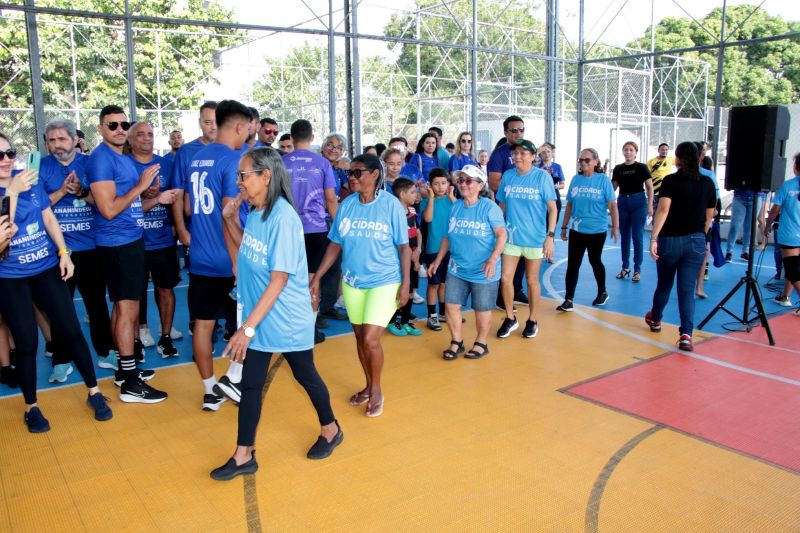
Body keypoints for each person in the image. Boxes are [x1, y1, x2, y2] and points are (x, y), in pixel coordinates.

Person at [209, 147, 342, 481]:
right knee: (251, 385)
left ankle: (331, 429)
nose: (238, 182)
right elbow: (248, 250)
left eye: (244, 175)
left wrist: (246, 329)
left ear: (265, 176)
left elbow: (279, 279)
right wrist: (228, 221)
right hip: (261, 316)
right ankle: (244, 455)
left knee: (305, 375)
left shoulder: (283, 218)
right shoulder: (256, 212)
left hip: (286, 319)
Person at [0, 132, 112, 431]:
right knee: (26, 342)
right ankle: (31, 407)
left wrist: (63, 252)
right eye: (0, 156)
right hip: (10, 278)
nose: (7, 160)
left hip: (45, 267)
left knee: (72, 330)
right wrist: (9, 193)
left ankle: (95, 391)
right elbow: (4, 234)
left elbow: (48, 217)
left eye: (10, 153)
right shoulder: (13, 187)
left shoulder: (28, 180)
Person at [310, 153, 410, 418]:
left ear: (375, 174)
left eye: (357, 173)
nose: (351, 177)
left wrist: (406, 283)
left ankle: (376, 390)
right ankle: (367, 385)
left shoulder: (391, 206)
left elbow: (404, 247)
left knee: (370, 338)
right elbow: (335, 243)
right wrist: (318, 276)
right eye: (350, 173)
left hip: (384, 281)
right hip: (354, 282)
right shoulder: (347, 205)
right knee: (359, 337)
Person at [87, 105, 168, 403]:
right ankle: (132, 384)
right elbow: (108, 209)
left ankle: (125, 370)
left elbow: (121, 197)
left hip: (130, 241)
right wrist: (140, 187)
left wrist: (144, 192)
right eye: (113, 125)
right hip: (117, 244)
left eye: (124, 124)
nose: (120, 129)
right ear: (101, 128)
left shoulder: (117, 158)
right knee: (127, 309)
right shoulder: (100, 160)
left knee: (126, 308)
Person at [39, 118, 117, 382]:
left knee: (96, 304)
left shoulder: (90, 164)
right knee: (60, 309)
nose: (57, 144)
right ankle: (61, 359)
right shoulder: (41, 168)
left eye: (62, 138)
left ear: (75, 140)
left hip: (90, 248)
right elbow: (38, 207)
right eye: (51, 140)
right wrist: (62, 191)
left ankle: (105, 352)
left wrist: (81, 190)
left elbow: (103, 202)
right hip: (58, 252)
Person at [428, 165, 506, 360]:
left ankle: (481, 342)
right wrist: (438, 260)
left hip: (483, 270)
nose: (463, 184)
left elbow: (502, 234)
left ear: (480, 185)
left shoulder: (489, 207)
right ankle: (456, 342)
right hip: (457, 269)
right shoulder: (455, 207)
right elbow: (447, 236)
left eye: (468, 180)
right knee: (451, 306)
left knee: (482, 309)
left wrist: (493, 258)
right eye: (460, 180)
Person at [645, 142, 716, 351]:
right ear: (698, 158)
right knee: (686, 289)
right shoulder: (707, 182)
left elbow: (664, 209)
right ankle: (686, 334)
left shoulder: (671, 181)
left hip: (670, 240)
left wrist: (653, 237)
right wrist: (701, 235)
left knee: (664, 283)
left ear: (677, 158)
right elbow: (710, 214)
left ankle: (656, 319)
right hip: (696, 240)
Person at [127, 121, 182, 358]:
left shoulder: (167, 164)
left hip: (163, 241)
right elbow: (121, 203)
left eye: (150, 133)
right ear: (130, 140)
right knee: (135, 293)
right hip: (133, 241)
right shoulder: (124, 166)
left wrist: (177, 227)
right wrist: (151, 196)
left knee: (166, 289)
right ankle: (138, 337)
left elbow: (176, 198)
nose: (146, 138)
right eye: (140, 134)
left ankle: (165, 336)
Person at [495, 141, 557, 339]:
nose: (518, 156)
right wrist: (496, 230)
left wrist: (550, 237)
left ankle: (532, 320)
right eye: (515, 153)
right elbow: (502, 206)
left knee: (531, 281)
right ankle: (510, 317)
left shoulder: (541, 177)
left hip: (534, 239)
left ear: (533, 156)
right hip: (511, 237)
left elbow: (553, 208)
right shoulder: (508, 176)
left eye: (523, 153)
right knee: (505, 278)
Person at [287, 123, 344, 331]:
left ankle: (292, 323)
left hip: (289, 230)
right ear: (312, 137)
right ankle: (309, 328)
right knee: (313, 279)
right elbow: (331, 200)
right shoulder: (322, 163)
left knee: (289, 277)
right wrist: (339, 228)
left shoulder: (281, 162)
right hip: (316, 229)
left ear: (292, 138)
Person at [557, 148, 619, 311]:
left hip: (597, 230)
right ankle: (568, 299)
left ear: (595, 162)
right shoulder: (576, 180)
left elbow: (612, 205)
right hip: (577, 229)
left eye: (587, 160)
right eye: (581, 160)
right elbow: (569, 204)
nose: (583, 163)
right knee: (573, 264)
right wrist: (564, 227)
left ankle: (602, 292)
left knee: (595, 260)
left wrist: (615, 227)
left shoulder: (603, 180)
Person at [488, 115, 528, 305]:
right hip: (506, 210)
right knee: (505, 250)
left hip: (526, 213)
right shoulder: (499, 154)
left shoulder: (528, 151)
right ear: (506, 133)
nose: (518, 133)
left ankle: (517, 289)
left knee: (522, 250)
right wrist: (516, 186)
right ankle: (500, 295)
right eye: (514, 130)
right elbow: (494, 182)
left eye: (521, 130)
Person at [171, 101, 218, 249]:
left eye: (217, 121)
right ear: (200, 123)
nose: (213, 127)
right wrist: (181, 229)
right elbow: (177, 194)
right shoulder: (185, 151)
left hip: (225, 227)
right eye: (208, 122)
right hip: (196, 230)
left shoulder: (233, 150)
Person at [611, 141, 653, 282]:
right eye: (626, 150)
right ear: (623, 152)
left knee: (637, 237)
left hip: (638, 203)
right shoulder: (618, 168)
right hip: (623, 202)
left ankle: (637, 270)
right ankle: (625, 267)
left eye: (631, 150)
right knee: (625, 237)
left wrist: (650, 206)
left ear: (636, 152)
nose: (628, 152)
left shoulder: (641, 167)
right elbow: (613, 188)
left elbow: (650, 187)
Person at [763, 153, 800, 310]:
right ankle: (785, 296)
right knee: (794, 269)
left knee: (792, 270)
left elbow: (775, 209)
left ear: (796, 167)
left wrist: (767, 225)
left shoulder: (788, 185)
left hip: (790, 235)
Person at [387, 178, 422, 337]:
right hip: (401, 259)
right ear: (402, 194)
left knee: (410, 289)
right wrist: (412, 257)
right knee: (399, 289)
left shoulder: (413, 210)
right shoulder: (393, 213)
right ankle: (393, 321)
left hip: (414, 254)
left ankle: (406, 321)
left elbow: (418, 231)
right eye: (413, 192)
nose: (416, 194)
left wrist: (419, 249)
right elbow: (398, 241)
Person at [420, 169, 455, 331]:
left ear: (449, 184)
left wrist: (452, 196)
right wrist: (431, 198)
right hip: (433, 249)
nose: (440, 187)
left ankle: (443, 312)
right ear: (430, 186)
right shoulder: (425, 202)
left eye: (443, 183)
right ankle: (431, 315)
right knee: (433, 284)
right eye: (436, 184)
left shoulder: (453, 201)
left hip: (451, 248)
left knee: (444, 283)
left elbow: (462, 213)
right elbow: (427, 218)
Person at [725, 186, 767, 262]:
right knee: (735, 226)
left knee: (749, 227)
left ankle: (745, 252)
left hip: (756, 197)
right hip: (739, 197)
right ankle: (729, 252)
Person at [536, 142, 565, 233]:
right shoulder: (536, 167)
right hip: (539, 196)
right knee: (540, 223)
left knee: (552, 223)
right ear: (540, 155)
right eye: (544, 152)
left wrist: (557, 186)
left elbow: (563, 184)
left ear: (552, 153)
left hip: (554, 194)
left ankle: (550, 241)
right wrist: (543, 167)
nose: (547, 154)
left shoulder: (557, 166)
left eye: (548, 152)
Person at [321, 133, 351, 199]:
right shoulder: (314, 166)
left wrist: (352, 168)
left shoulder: (338, 169)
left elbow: (352, 188)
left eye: (339, 148)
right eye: (330, 145)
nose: (334, 149)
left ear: (342, 153)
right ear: (322, 146)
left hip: (333, 207)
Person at [646, 143, 675, 211]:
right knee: (654, 211)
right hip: (655, 191)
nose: (664, 151)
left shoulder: (670, 160)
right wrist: (648, 190)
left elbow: (681, 162)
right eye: (662, 149)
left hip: (667, 190)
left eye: (666, 150)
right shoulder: (651, 161)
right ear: (658, 150)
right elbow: (647, 177)